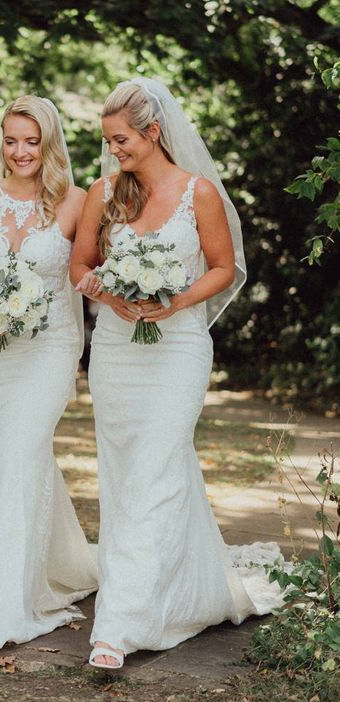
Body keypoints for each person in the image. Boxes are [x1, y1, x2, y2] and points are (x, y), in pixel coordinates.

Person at [70, 77, 283, 671]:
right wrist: (109, 294)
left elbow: (223, 267)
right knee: (126, 473)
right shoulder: (104, 193)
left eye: (122, 140)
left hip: (179, 348)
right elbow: (80, 266)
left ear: (153, 131)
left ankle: (120, 625)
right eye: (109, 142)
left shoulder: (200, 194)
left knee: (157, 466)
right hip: (117, 348)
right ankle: (177, 588)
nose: (114, 151)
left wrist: (177, 299)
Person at [0, 95, 97, 652]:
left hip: (50, 349)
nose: (20, 151)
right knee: (3, 459)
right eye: (11, 140)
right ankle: (46, 566)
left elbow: (86, 272)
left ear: (50, 143)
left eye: (31, 141)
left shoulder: (78, 202)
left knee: (18, 453)